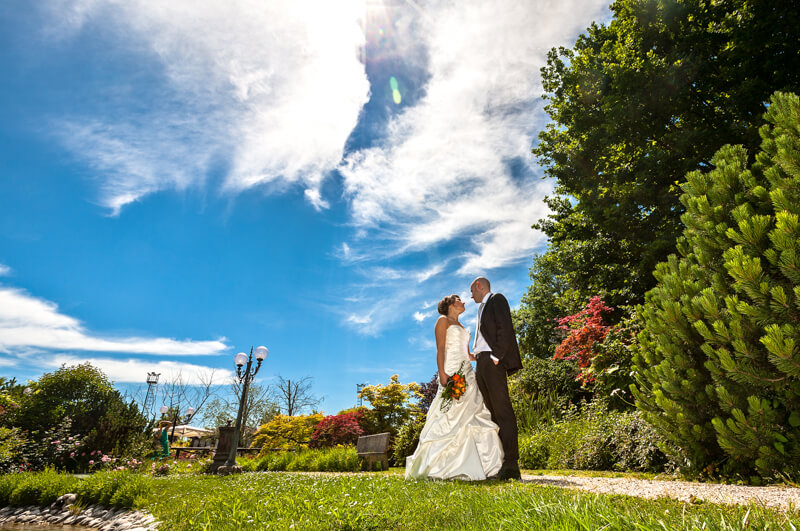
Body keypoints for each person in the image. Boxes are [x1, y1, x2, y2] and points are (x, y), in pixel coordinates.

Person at [405, 294, 503, 480]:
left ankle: (484, 466)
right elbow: (440, 348)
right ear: (450, 304)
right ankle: (440, 466)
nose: (464, 302)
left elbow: (467, 354)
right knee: (449, 414)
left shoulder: (462, 326)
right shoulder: (443, 321)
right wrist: (442, 373)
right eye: (459, 299)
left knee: (474, 414)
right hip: (452, 371)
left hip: (467, 373)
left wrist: (484, 354)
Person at [470, 276, 523, 480]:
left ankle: (511, 464)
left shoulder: (496, 300)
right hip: (481, 363)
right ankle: (498, 462)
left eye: (472, 291)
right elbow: (486, 336)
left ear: (479, 286)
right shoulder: (480, 308)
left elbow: (505, 330)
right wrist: (477, 356)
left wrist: (495, 357)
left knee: (502, 411)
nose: (471, 295)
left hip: (493, 362)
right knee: (491, 413)